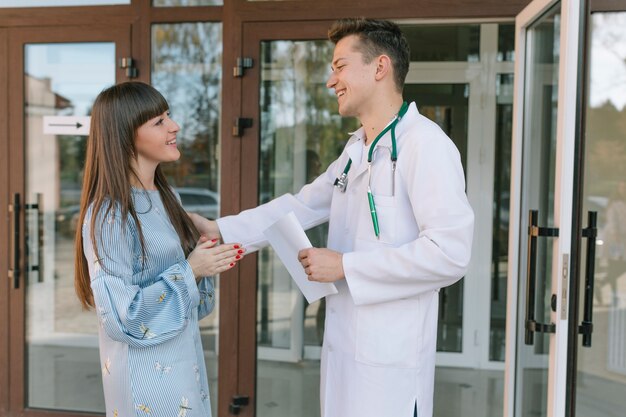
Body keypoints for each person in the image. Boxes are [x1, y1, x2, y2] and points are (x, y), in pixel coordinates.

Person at [197, 18, 474, 417]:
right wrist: (219, 229)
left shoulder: (426, 145)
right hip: (345, 352)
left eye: (340, 66)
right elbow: (302, 205)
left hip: (389, 369)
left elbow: (450, 253)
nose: (331, 81)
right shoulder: (357, 148)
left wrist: (346, 265)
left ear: (380, 67)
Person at [74, 81, 244, 417]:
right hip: (144, 383)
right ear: (125, 135)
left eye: (168, 116)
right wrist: (191, 269)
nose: (174, 126)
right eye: (158, 121)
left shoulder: (170, 200)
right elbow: (123, 319)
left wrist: (204, 261)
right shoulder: (109, 213)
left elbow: (196, 309)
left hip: (184, 367)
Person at [601, 181, 626, 305]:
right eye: (622, 187)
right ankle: (614, 295)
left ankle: (600, 283)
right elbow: (612, 222)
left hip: (621, 240)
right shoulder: (613, 204)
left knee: (618, 267)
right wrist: (616, 237)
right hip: (614, 240)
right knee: (614, 266)